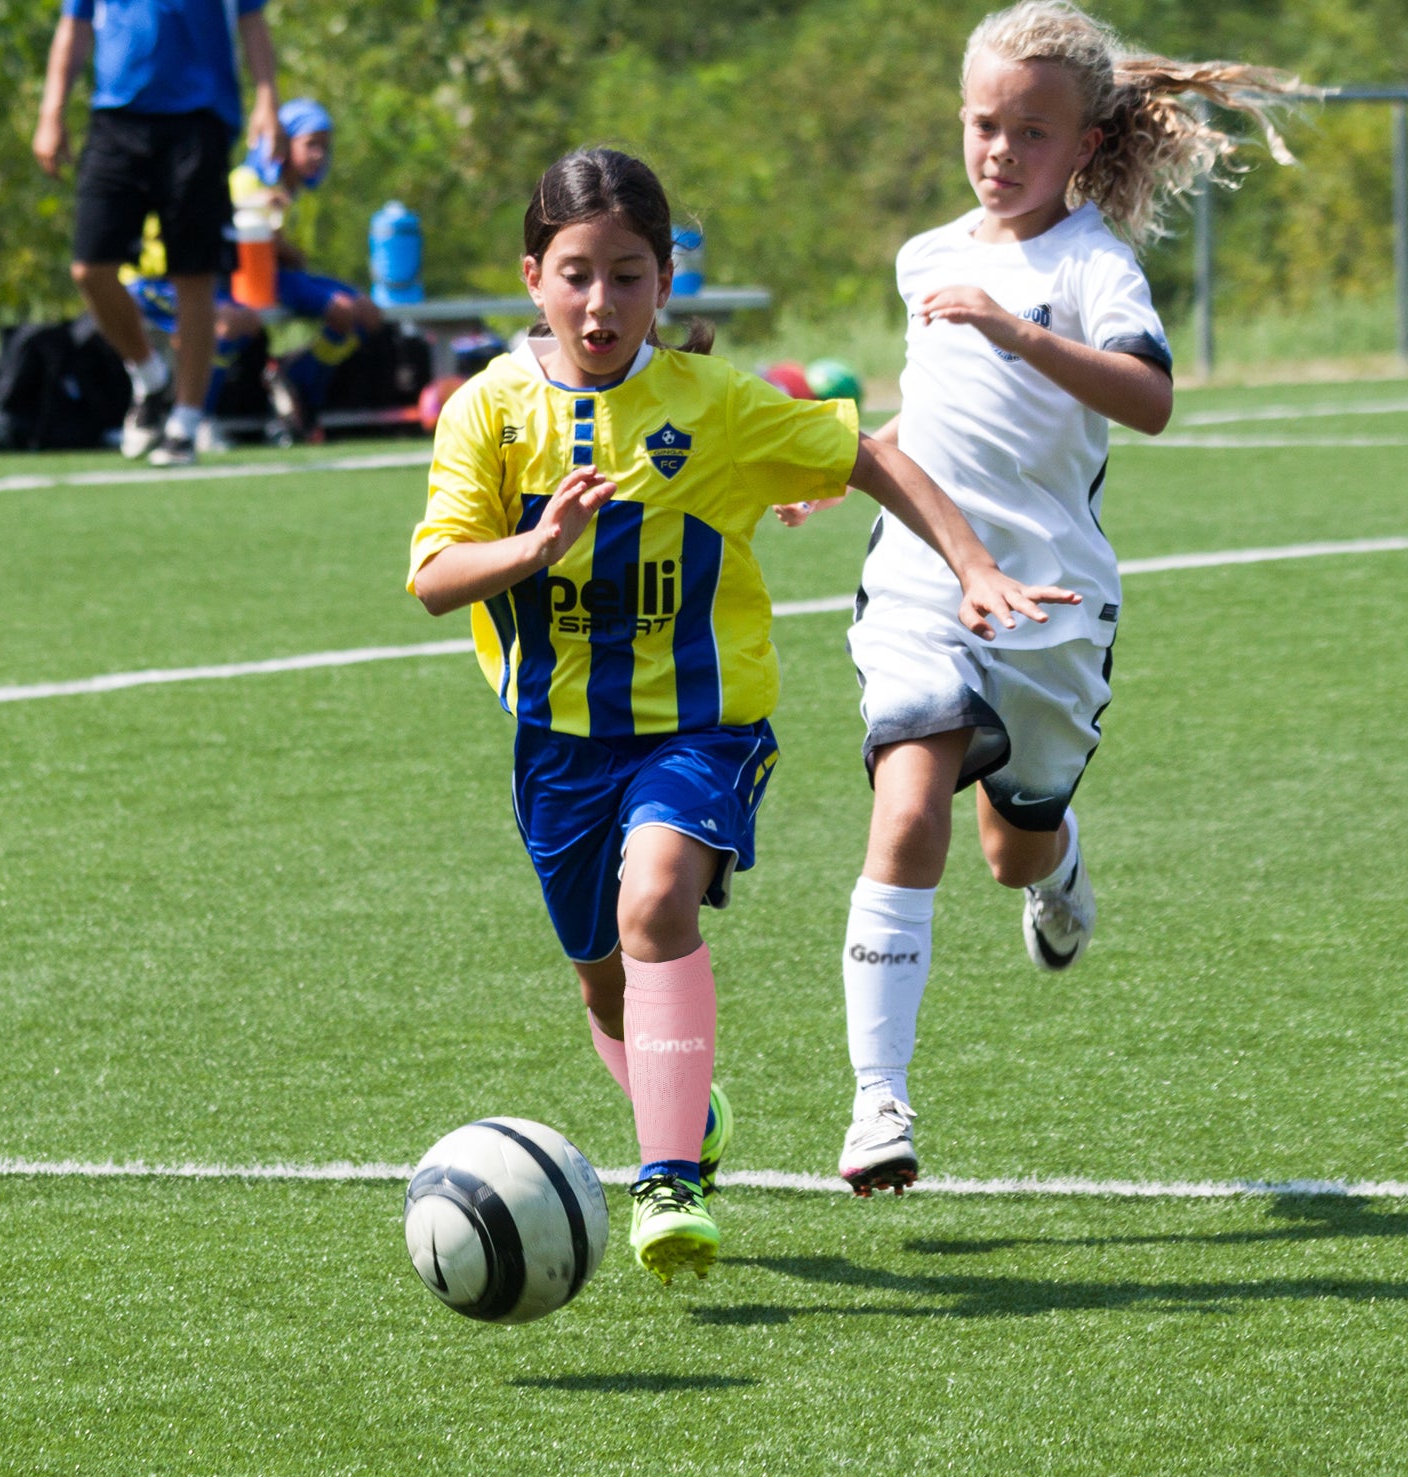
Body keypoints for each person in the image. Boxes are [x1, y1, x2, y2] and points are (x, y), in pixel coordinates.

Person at [407, 147, 1076, 1287]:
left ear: (665, 281)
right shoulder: (487, 414)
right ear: (532, 277)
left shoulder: (712, 408)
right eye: (576, 275)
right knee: (601, 979)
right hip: (558, 745)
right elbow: (434, 576)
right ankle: (688, 1111)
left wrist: (969, 564)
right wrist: (536, 547)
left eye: (627, 275)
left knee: (656, 898)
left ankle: (668, 1177)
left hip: (701, 726)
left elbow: (864, 457)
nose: (600, 302)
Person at [776, 0, 1310, 1197]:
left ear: (1084, 147)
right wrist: (843, 468)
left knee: (1010, 852)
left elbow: (1149, 398)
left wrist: (1019, 330)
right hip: (924, 576)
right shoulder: (928, 255)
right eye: (982, 125)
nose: (1000, 151)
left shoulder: (1091, 267)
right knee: (906, 798)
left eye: (1029, 132)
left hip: (1054, 604)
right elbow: (943, 414)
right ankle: (878, 1102)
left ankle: (1061, 877)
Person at [33, 0, 282, 466]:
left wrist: (268, 102)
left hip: (199, 120)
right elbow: (75, 26)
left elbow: (252, 21)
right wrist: (52, 111)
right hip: (116, 119)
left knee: (195, 276)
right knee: (90, 268)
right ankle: (150, 377)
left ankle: (185, 423)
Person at [229, 98, 386, 438]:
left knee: (366, 312)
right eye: (311, 144)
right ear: (284, 143)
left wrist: (280, 245)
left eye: (325, 148)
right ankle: (300, 395)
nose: (319, 155)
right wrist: (277, 243)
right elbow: (254, 244)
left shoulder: (303, 194)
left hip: (287, 278)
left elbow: (296, 256)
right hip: (251, 281)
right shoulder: (247, 179)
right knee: (341, 310)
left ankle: (298, 380)